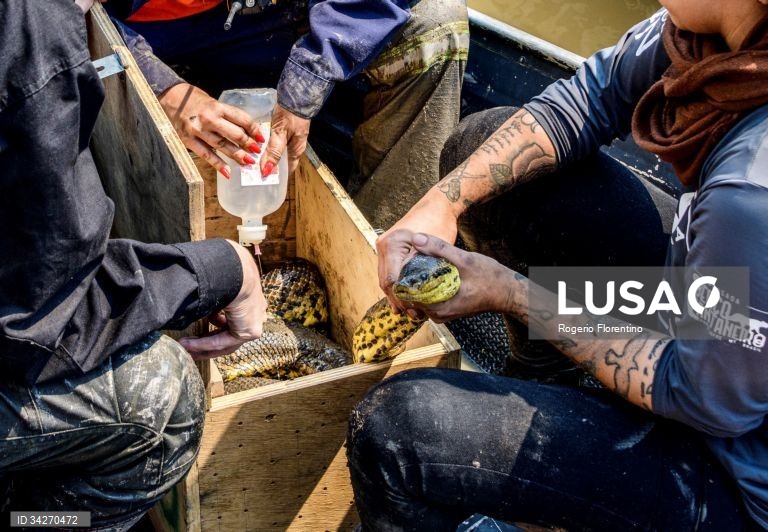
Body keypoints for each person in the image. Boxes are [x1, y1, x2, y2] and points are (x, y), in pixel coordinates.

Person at [347, 0, 768, 529]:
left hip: (732, 471)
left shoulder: (751, 190)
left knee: (397, 432)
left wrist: (514, 294)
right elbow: (583, 102)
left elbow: (703, 396)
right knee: (485, 152)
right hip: (711, 317)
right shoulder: (704, 35)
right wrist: (442, 202)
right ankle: (556, 388)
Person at [0, 0, 268, 528]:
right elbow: (40, 324)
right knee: (162, 401)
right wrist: (221, 270)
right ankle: (31, 523)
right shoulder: (28, 27)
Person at [105, 0, 469, 229]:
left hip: (283, 20)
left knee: (437, 24)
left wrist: (309, 77)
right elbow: (59, 18)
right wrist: (163, 89)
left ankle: (388, 255)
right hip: (150, 33)